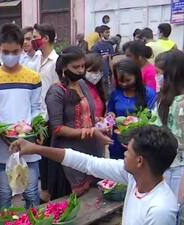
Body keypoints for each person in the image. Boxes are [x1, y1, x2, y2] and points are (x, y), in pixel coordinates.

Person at [10, 125, 179, 225]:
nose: (124, 154)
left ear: (140, 161)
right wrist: (36, 149)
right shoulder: (134, 177)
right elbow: (87, 163)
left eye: (129, 151)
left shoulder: (160, 210)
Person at [0, 23, 41, 210]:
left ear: (22, 48)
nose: (11, 56)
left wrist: (34, 130)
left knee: (32, 193)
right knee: (4, 196)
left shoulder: (33, 78)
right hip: (1, 146)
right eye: (6, 51)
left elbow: (36, 108)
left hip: (27, 143)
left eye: (15, 51)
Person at [45, 46, 112, 198]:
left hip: (92, 152)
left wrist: (100, 122)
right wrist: (89, 131)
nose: (81, 71)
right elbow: (57, 129)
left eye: (82, 66)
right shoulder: (56, 92)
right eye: (76, 67)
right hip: (69, 157)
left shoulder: (82, 84)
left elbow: (88, 115)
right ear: (63, 68)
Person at [108, 59, 156, 159]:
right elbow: (110, 111)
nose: (124, 84)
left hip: (140, 142)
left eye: (128, 80)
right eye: (121, 81)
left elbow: (151, 118)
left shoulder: (148, 94)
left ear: (137, 76)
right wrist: (110, 116)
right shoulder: (115, 94)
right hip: (118, 141)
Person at [153, 50, 184, 202]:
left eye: (158, 73)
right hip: (165, 165)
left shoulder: (180, 103)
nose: (156, 77)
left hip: (177, 169)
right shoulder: (164, 99)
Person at [32, 23, 59, 120]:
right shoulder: (36, 57)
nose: (33, 41)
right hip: (34, 113)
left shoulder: (56, 62)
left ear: (46, 38)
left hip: (47, 115)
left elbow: (56, 92)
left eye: (35, 37)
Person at [84, 53, 106, 118]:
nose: (97, 74)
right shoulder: (79, 89)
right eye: (94, 71)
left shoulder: (98, 88)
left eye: (100, 71)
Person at [93, 25, 114, 90]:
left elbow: (112, 57)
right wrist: (102, 58)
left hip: (109, 72)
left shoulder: (110, 44)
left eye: (109, 32)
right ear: (101, 34)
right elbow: (95, 59)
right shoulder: (96, 46)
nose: (108, 34)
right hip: (101, 72)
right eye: (107, 32)